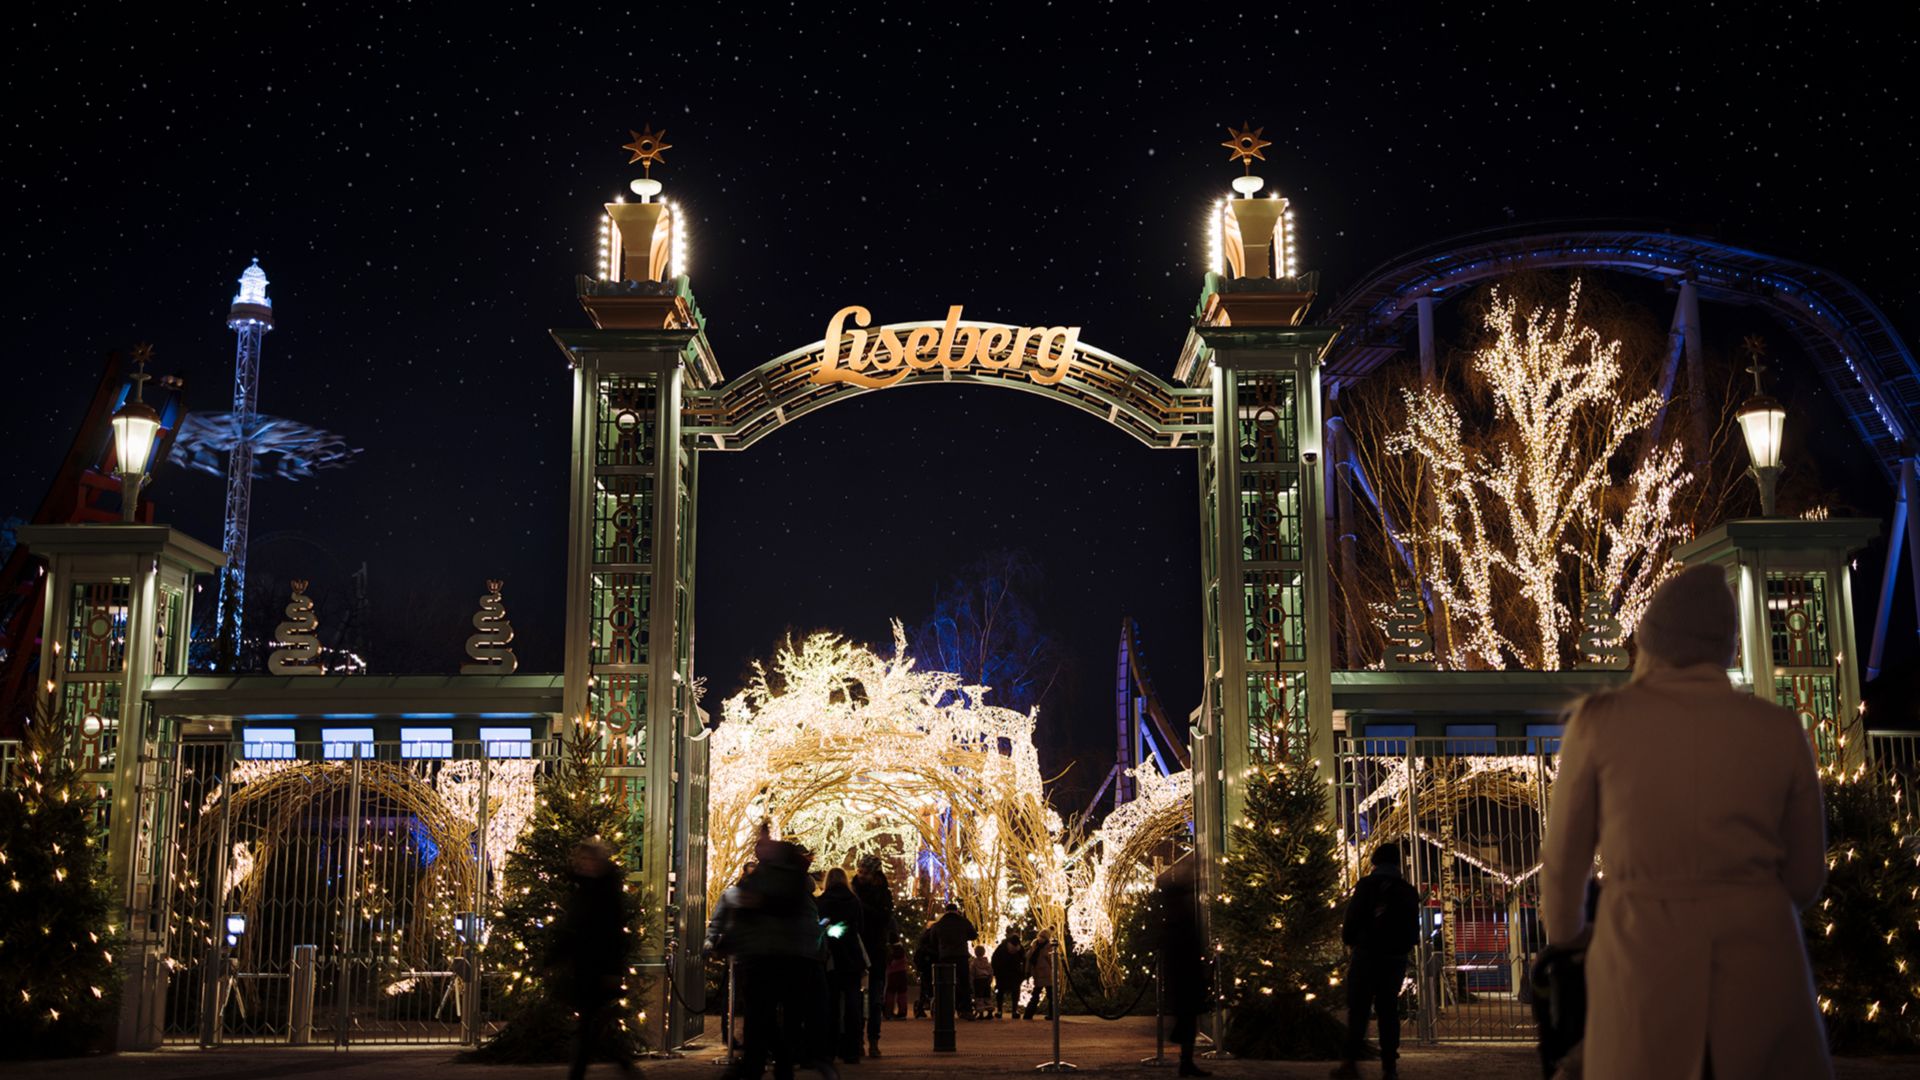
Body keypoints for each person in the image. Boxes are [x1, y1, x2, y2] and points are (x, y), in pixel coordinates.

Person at [1541, 564, 1832, 1080]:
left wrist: (1568, 932)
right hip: (1761, 960)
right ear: (1727, 647)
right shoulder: (1779, 729)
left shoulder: (1600, 721)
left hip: (1641, 951)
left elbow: (1564, 862)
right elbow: (1806, 878)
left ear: (1650, 639)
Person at [725, 835, 835, 1080]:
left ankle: (761, 1063)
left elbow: (752, 912)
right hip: (790, 959)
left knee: (762, 1015)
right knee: (779, 1018)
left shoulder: (774, 879)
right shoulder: (794, 882)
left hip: (770, 958)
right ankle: (773, 1062)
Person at [1330, 843, 1419, 1080]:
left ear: (1375, 862)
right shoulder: (1407, 891)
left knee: (1358, 1009)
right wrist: (1402, 948)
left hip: (1367, 955)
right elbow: (1413, 930)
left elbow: (1352, 917)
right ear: (1398, 863)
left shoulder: (1367, 886)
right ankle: (1389, 1066)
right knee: (1388, 1010)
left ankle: (1349, 1063)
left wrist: (1351, 941)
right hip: (1394, 959)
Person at [553, 839, 635, 1080]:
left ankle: (579, 1072)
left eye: (588, 859)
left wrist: (613, 970)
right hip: (584, 966)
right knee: (593, 1024)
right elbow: (572, 928)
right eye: (582, 859)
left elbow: (613, 934)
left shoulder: (605, 893)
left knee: (589, 1024)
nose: (584, 864)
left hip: (599, 968)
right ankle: (620, 1060)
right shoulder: (584, 889)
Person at [1156, 860, 1212, 1077]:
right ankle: (1186, 1062)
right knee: (1187, 1019)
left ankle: (1186, 1061)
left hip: (1184, 974)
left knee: (1187, 1019)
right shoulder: (1180, 914)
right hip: (1185, 975)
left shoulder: (1174, 912)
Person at [816, 867, 868, 1065]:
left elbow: (820, 926)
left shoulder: (823, 901)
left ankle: (830, 1049)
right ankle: (852, 1049)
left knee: (831, 1004)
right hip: (852, 956)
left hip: (832, 958)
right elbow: (859, 927)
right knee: (853, 1004)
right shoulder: (854, 901)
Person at [851, 855, 896, 1056]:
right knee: (857, 997)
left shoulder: (882, 893)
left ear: (874, 873)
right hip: (858, 949)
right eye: (860, 871)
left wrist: (862, 906)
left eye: (865, 872)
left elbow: (884, 918)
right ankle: (858, 1039)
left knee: (875, 999)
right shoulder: (852, 890)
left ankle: (873, 1040)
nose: (861, 875)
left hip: (875, 949)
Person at [930, 901, 979, 1017]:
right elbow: (974, 935)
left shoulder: (939, 924)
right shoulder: (964, 922)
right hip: (961, 956)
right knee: (964, 983)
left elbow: (932, 940)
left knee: (946, 983)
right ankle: (965, 1009)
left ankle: (947, 1008)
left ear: (946, 911)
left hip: (945, 957)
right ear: (957, 911)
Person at [989, 929, 1026, 1018]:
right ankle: (1014, 1011)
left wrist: (995, 972)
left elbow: (994, 959)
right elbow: (1024, 960)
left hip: (1002, 973)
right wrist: (1023, 973)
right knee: (1015, 992)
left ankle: (999, 1011)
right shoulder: (1020, 948)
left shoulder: (1002, 947)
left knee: (1000, 992)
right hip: (1015, 973)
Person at [1022, 929, 1057, 1021]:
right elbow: (1029, 959)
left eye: (1043, 937)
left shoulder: (1048, 947)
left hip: (1046, 974)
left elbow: (1051, 960)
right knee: (1037, 995)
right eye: (1040, 936)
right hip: (1038, 973)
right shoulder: (1034, 945)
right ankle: (1029, 1014)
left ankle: (1052, 1014)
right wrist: (1027, 971)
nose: (1041, 938)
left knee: (1049, 995)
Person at [884, 942, 911, 1019]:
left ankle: (889, 1012)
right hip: (902, 973)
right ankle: (902, 1012)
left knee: (890, 993)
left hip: (892, 974)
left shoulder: (889, 951)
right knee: (902, 993)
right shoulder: (901, 951)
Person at [968, 945, 993, 1018]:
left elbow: (972, 973)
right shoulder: (987, 962)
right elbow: (991, 971)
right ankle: (990, 1012)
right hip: (986, 980)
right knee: (987, 996)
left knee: (979, 997)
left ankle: (981, 1013)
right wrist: (990, 980)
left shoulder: (974, 963)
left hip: (978, 981)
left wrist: (971, 982)